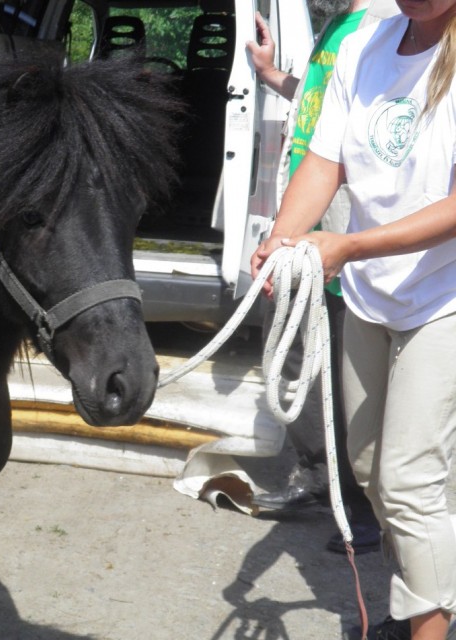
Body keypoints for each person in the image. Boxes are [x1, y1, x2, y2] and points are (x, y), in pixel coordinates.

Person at [251, 0, 456, 638]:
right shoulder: (364, 44)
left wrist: (349, 246)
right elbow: (324, 159)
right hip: (373, 292)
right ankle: (429, 591)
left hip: (445, 295)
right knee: (368, 468)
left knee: (408, 479)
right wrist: (284, 242)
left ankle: (430, 625)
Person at [245, 0, 395, 557]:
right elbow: (319, 110)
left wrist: (338, 241)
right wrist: (270, 75)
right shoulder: (340, 30)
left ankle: (362, 507)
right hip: (311, 222)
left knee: (332, 365)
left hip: (337, 229)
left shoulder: (380, 28)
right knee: (295, 349)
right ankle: (326, 481)